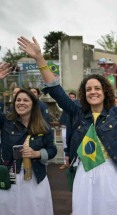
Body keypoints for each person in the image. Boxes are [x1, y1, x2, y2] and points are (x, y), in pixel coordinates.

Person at [17, 36, 117, 215]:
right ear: (84, 94)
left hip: (109, 171)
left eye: (97, 88)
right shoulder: (76, 111)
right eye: (88, 89)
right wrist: (40, 58)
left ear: (104, 92)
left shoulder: (116, 114)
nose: (92, 92)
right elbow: (56, 90)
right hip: (83, 171)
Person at [0, 63, 57, 215]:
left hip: (35, 178)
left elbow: (52, 150)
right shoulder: (6, 121)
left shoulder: (43, 126)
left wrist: (36, 154)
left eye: (25, 100)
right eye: (18, 100)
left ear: (33, 104)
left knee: (35, 210)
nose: (21, 103)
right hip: (10, 178)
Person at [59, 91, 77, 170]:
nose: (72, 99)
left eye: (73, 97)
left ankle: (74, 163)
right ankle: (65, 163)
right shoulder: (66, 106)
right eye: (70, 97)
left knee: (74, 145)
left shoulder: (77, 107)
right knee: (65, 146)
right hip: (64, 128)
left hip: (74, 129)